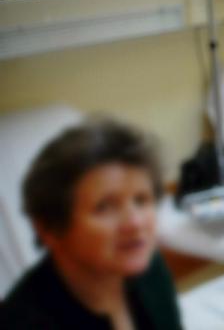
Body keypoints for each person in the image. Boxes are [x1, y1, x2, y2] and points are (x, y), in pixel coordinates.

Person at [0, 119, 182, 330]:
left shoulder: (149, 267)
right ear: (48, 228)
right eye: (104, 207)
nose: (136, 223)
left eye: (141, 200)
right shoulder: (20, 323)